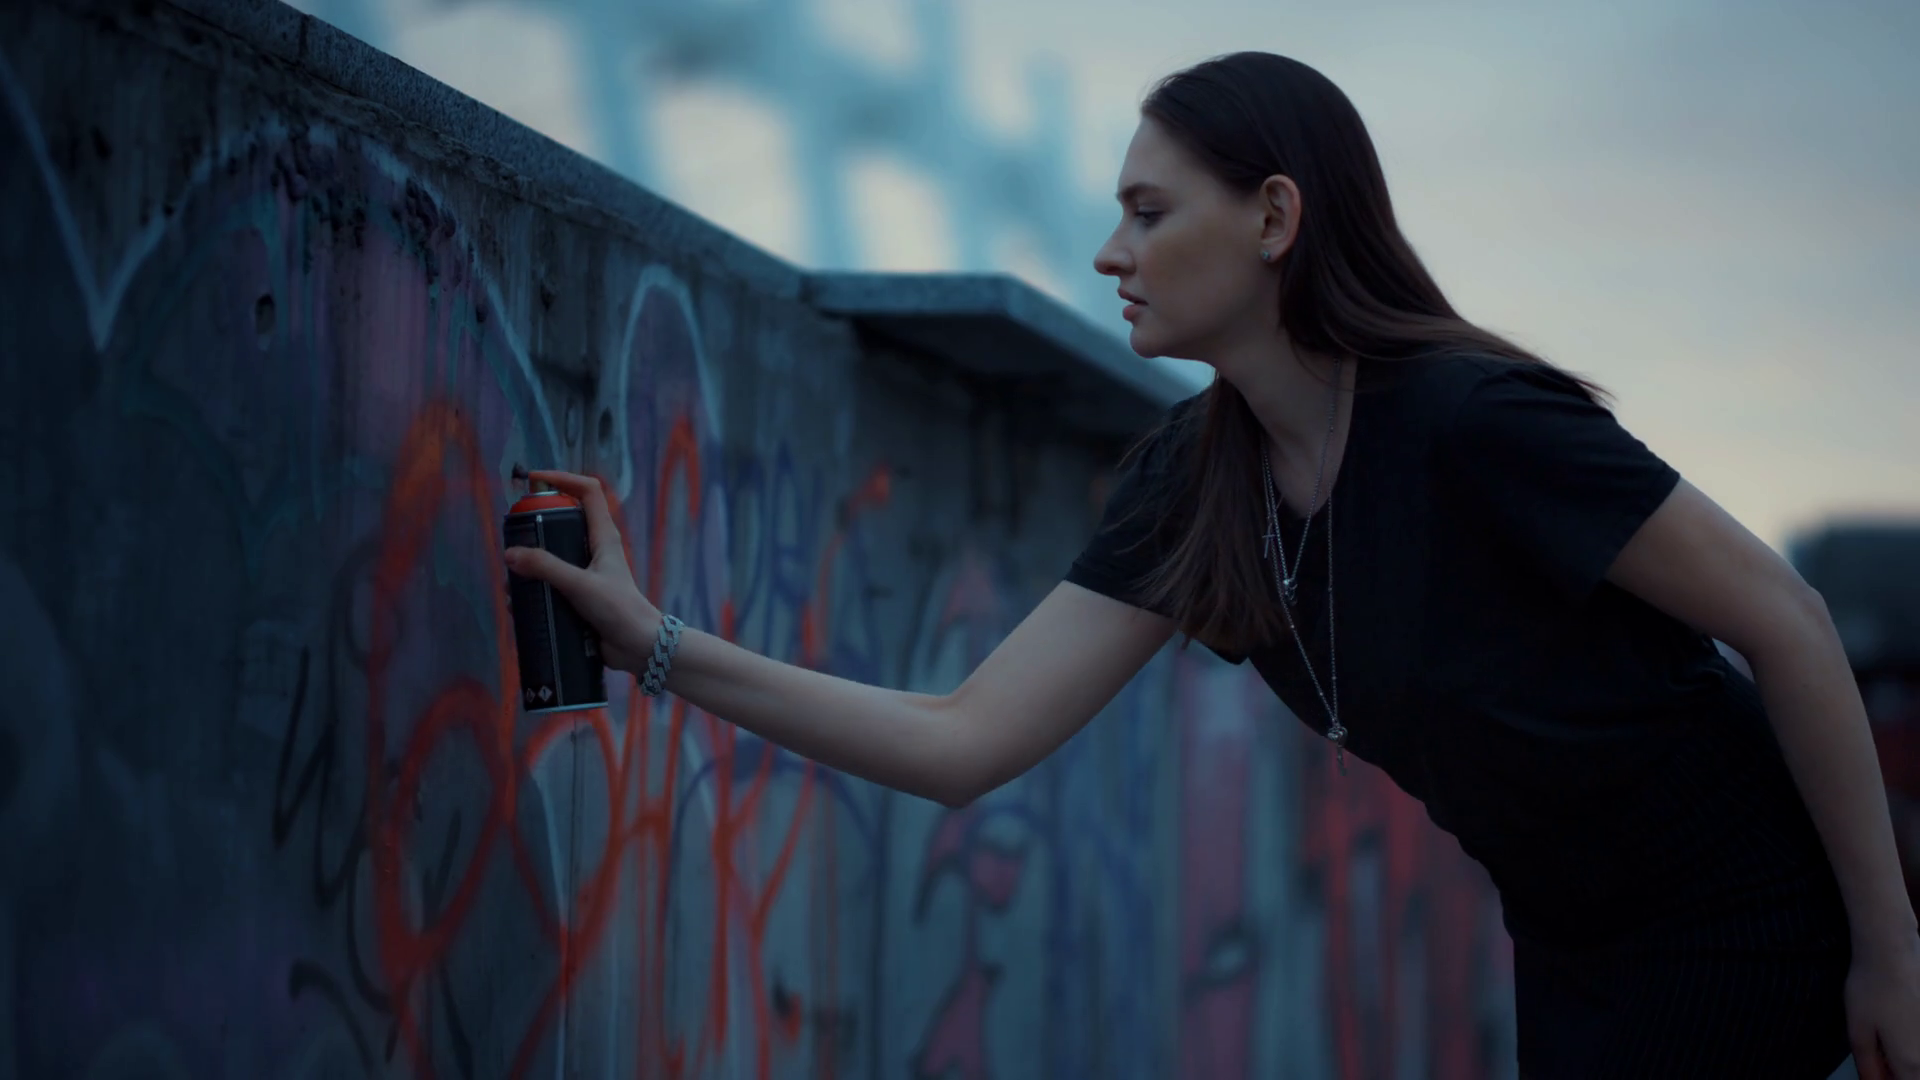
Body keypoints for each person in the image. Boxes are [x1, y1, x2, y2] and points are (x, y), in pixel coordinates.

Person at [504, 51, 1920, 1080]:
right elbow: (962, 741)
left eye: (1149, 212)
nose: (1109, 252)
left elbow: (1787, 623)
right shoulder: (1195, 485)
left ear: (1275, 219)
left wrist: (1891, 949)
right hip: (1572, 955)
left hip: (1758, 926)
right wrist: (652, 643)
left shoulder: (1475, 424)